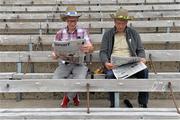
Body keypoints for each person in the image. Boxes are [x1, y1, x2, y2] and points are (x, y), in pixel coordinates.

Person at [99, 8, 149, 108]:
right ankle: (114, 104)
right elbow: (103, 52)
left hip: (131, 64)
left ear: (127, 22)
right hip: (114, 65)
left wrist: (142, 58)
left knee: (144, 71)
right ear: (114, 22)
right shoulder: (107, 35)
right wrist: (105, 63)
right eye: (118, 23)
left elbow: (140, 50)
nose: (120, 26)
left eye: (123, 23)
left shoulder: (134, 33)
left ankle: (143, 102)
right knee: (109, 76)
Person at [52, 6, 93, 108]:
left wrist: (88, 48)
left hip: (79, 64)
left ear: (77, 20)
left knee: (80, 80)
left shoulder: (83, 32)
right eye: (70, 21)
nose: (72, 23)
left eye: (74, 21)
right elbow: (54, 51)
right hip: (64, 64)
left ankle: (67, 98)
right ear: (66, 20)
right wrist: (55, 54)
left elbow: (91, 47)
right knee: (54, 81)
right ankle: (74, 95)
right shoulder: (60, 33)